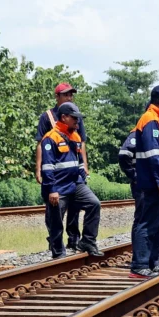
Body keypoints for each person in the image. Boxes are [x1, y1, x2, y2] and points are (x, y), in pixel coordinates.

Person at [39, 102, 103, 259]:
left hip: (75, 184)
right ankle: (58, 253)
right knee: (56, 222)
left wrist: (83, 177)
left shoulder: (75, 137)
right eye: (74, 118)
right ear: (64, 117)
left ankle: (88, 241)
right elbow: (47, 167)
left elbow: (80, 162)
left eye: (78, 118)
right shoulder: (50, 139)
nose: (78, 121)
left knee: (94, 204)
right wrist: (52, 189)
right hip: (58, 187)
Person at [36, 83, 90, 253]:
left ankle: (74, 240)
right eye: (66, 95)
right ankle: (55, 241)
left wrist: (84, 165)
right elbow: (40, 142)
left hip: (73, 172)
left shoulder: (75, 116)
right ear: (57, 97)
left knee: (75, 207)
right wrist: (38, 168)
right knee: (55, 209)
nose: (69, 97)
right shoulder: (47, 117)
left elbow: (81, 142)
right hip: (55, 171)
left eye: (71, 95)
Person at [128, 85, 159, 279]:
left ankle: (150, 262)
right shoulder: (150, 120)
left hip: (155, 181)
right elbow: (153, 155)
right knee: (146, 223)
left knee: (155, 223)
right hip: (151, 182)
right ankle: (139, 265)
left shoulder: (157, 120)